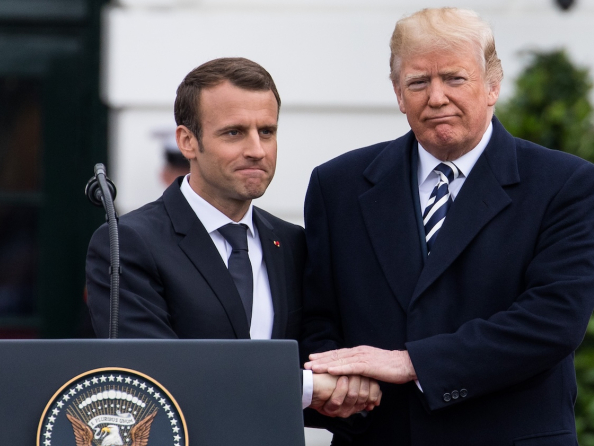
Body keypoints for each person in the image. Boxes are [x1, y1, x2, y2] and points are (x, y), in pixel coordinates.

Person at [302, 8, 594, 446]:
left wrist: (415, 363)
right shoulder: (338, 186)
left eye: (455, 78)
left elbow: (553, 320)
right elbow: (319, 317)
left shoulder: (563, 184)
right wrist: (344, 385)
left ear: (492, 86)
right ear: (398, 94)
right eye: (418, 82)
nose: (436, 97)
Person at [86, 57, 379, 418]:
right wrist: (305, 386)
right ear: (187, 142)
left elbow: (317, 357)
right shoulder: (128, 243)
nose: (257, 149)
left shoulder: (292, 244)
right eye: (234, 132)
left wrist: (349, 388)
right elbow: (153, 374)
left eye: (267, 131)